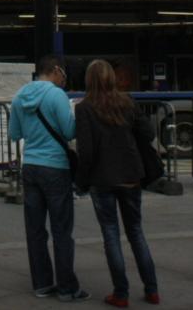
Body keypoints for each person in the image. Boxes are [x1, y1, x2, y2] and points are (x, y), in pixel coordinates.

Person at [74, 59, 160, 307]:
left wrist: (81, 181)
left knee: (111, 235)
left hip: (102, 179)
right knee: (136, 232)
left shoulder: (85, 108)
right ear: (112, 78)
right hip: (130, 174)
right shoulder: (127, 102)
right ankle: (152, 289)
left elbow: (86, 151)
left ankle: (121, 293)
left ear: (89, 80)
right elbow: (149, 134)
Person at [9, 54, 86, 302]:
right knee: (62, 229)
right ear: (55, 70)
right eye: (63, 73)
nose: (64, 79)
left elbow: (15, 133)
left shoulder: (20, 95)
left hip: (30, 166)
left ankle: (42, 284)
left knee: (35, 229)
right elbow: (69, 131)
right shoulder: (56, 95)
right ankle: (66, 287)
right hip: (55, 167)